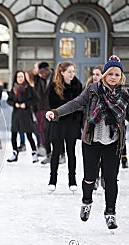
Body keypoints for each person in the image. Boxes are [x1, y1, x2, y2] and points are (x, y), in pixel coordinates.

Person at [46, 55, 129, 230]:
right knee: (90, 177)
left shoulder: (125, 95)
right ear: (105, 75)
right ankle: (86, 201)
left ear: (121, 76)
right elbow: (75, 103)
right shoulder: (93, 90)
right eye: (110, 74)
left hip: (114, 142)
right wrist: (56, 112)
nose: (113, 77)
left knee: (111, 179)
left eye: (117, 74)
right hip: (92, 140)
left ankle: (110, 214)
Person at [46, 62, 83, 192]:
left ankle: (72, 181)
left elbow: (81, 105)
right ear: (62, 73)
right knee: (56, 152)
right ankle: (52, 181)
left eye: (73, 71)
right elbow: (51, 105)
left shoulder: (78, 86)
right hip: (58, 124)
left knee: (71, 152)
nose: (72, 74)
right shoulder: (53, 87)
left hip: (72, 124)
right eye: (69, 72)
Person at [6, 70, 40, 163]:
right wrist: (15, 104)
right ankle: (14, 153)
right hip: (16, 115)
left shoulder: (29, 88)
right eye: (18, 77)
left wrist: (26, 104)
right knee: (14, 134)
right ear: (16, 78)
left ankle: (34, 153)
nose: (20, 79)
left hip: (26, 114)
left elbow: (36, 99)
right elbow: (9, 100)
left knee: (29, 134)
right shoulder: (13, 88)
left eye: (22, 76)